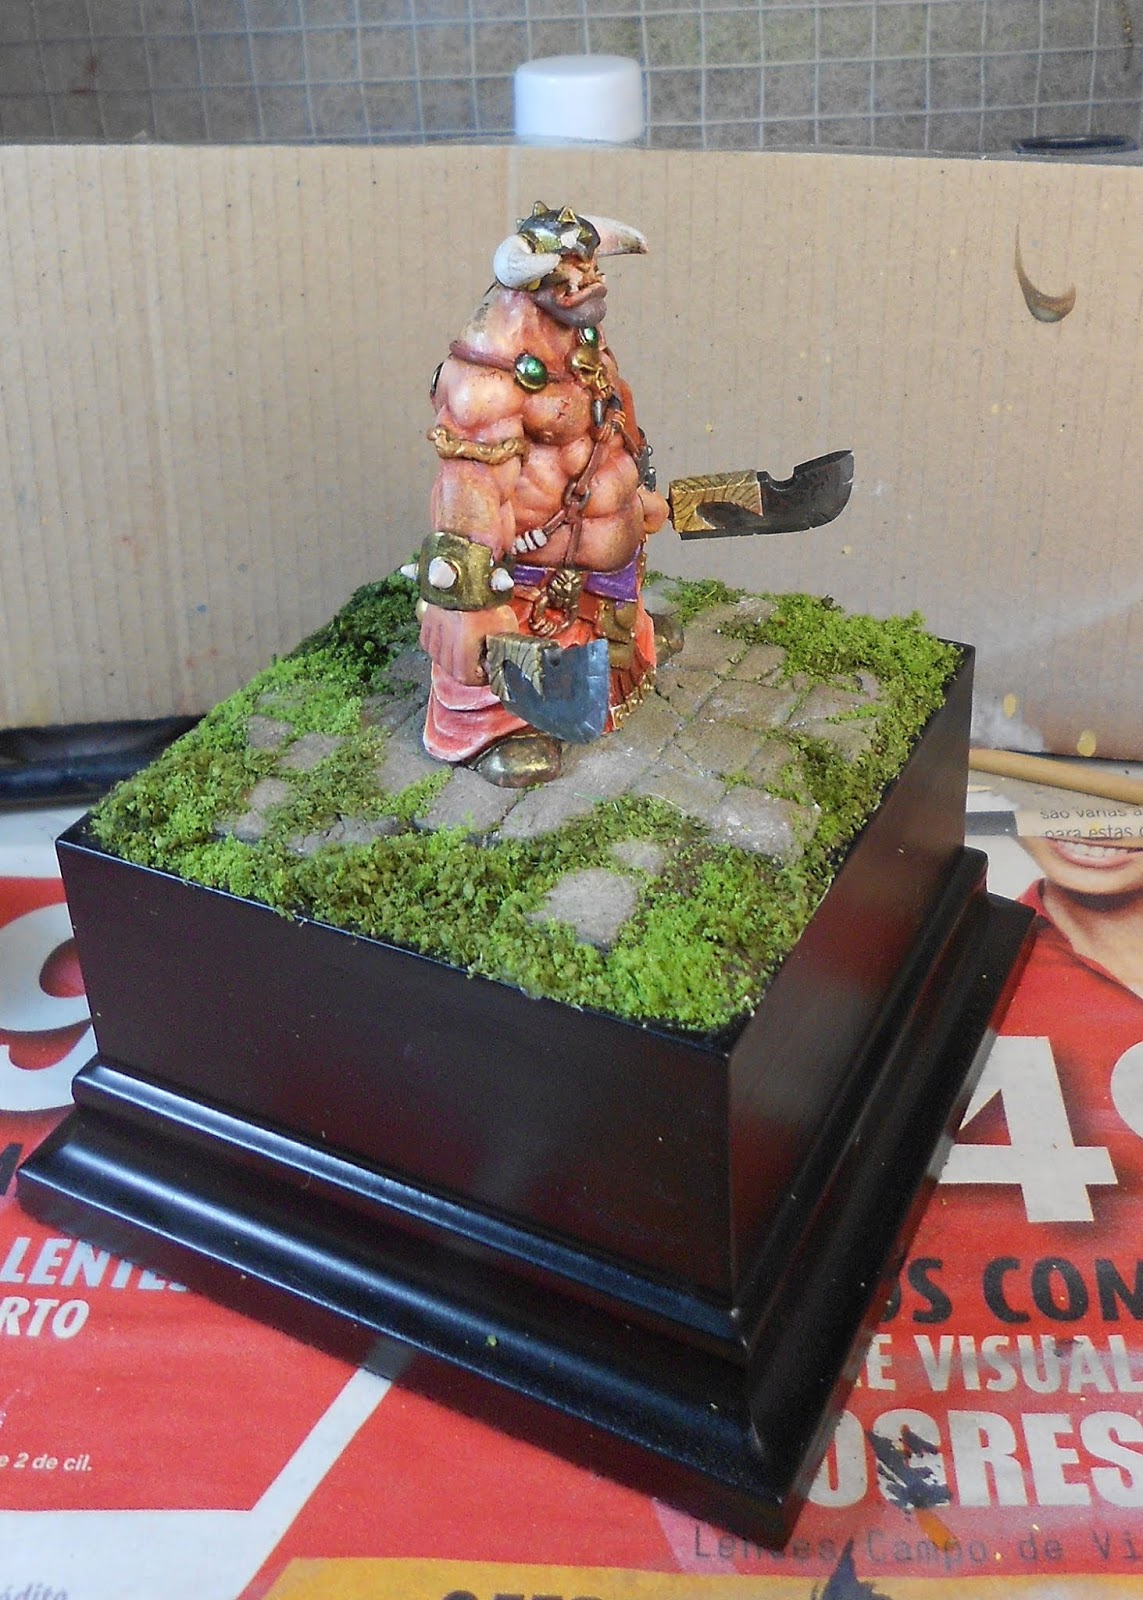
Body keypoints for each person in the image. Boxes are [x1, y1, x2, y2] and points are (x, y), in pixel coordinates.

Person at [415, 203, 670, 787]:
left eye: (591, 266)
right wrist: (465, 605)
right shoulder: (486, 377)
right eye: (573, 270)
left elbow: (610, 423)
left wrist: (636, 494)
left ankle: (622, 657)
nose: (590, 279)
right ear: (535, 281)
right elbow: (469, 491)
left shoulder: (576, 339)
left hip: (593, 560)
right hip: (534, 571)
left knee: (614, 621)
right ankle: (497, 729)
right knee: (496, 651)